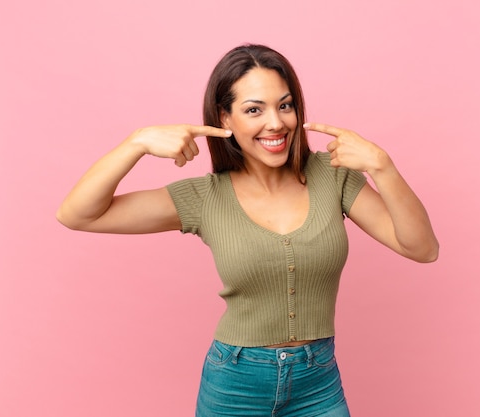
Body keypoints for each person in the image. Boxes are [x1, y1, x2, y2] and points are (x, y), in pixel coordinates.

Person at [57, 44, 438, 416]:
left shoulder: (333, 177)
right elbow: (79, 215)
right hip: (235, 382)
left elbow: (422, 248)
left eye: (284, 105)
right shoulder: (204, 198)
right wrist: (136, 142)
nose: (276, 122)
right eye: (254, 109)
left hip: (318, 382)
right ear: (225, 118)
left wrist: (383, 167)